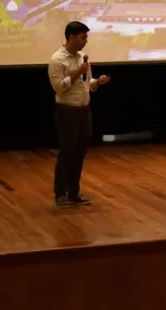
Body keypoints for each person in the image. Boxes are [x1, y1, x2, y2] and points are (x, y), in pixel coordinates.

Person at [48, 21, 110, 208]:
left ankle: (74, 192)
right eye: (83, 37)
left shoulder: (82, 57)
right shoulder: (57, 60)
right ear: (71, 37)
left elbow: (85, 83)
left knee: (79, 153)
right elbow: (59, 87)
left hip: (84, 110)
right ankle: (60, 194)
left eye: (86, 38)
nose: (85, 42)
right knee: (67, 153)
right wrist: (77, 72)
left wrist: (97, 82)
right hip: (67, 111)